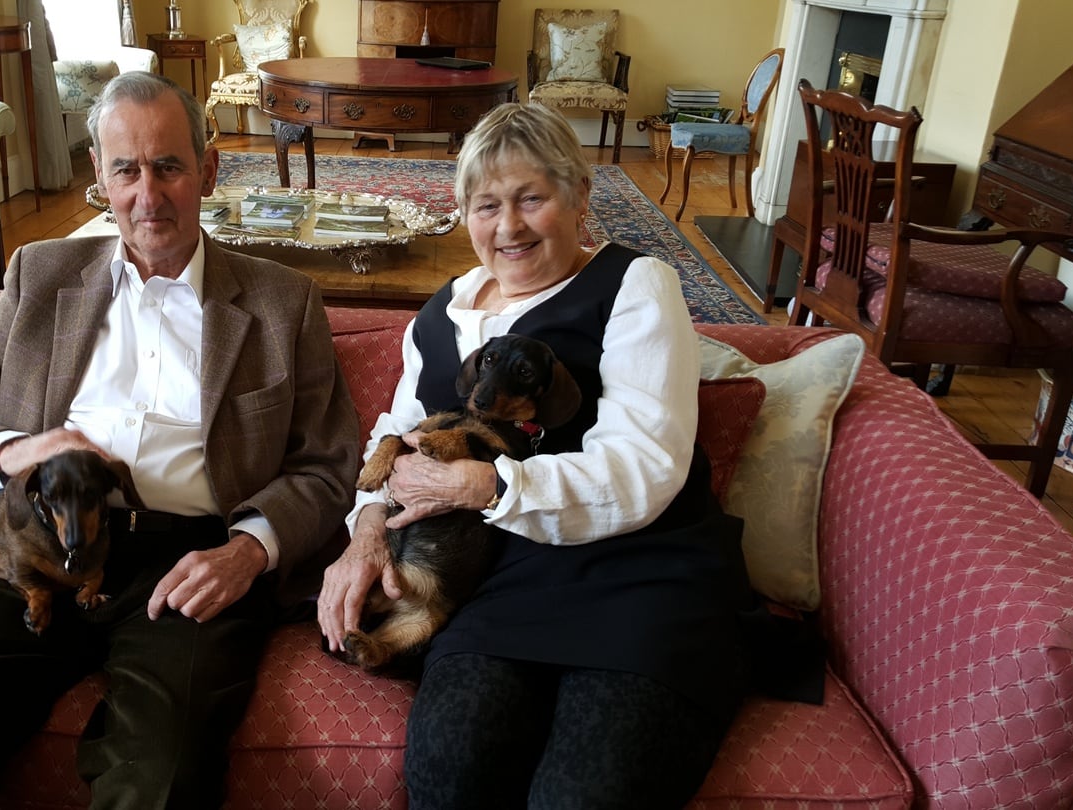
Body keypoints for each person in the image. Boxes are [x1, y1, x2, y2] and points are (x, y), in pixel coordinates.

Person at [0, 71, 359, 809]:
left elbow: (326, 466)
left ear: (209, 169)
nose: (146, 196)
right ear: (98, 173)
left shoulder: (284, 303)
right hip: (27, 546)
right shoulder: (38, 273)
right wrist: (10, 454)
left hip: (188, 559)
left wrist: (248, 549)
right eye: (125, 169)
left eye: (169, 167)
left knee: (162, 777)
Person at [317, 102, 769, 809]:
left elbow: (648, 464)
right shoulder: (441, 314)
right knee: (450, 765)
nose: (508, 226)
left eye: (532, 198)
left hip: (637, 576)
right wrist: (367, 532)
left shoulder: (635, 286)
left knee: (587, 794)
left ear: (580, 197)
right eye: (486, 204)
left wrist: (485, 487)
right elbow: (398, 432)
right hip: (491, 587)